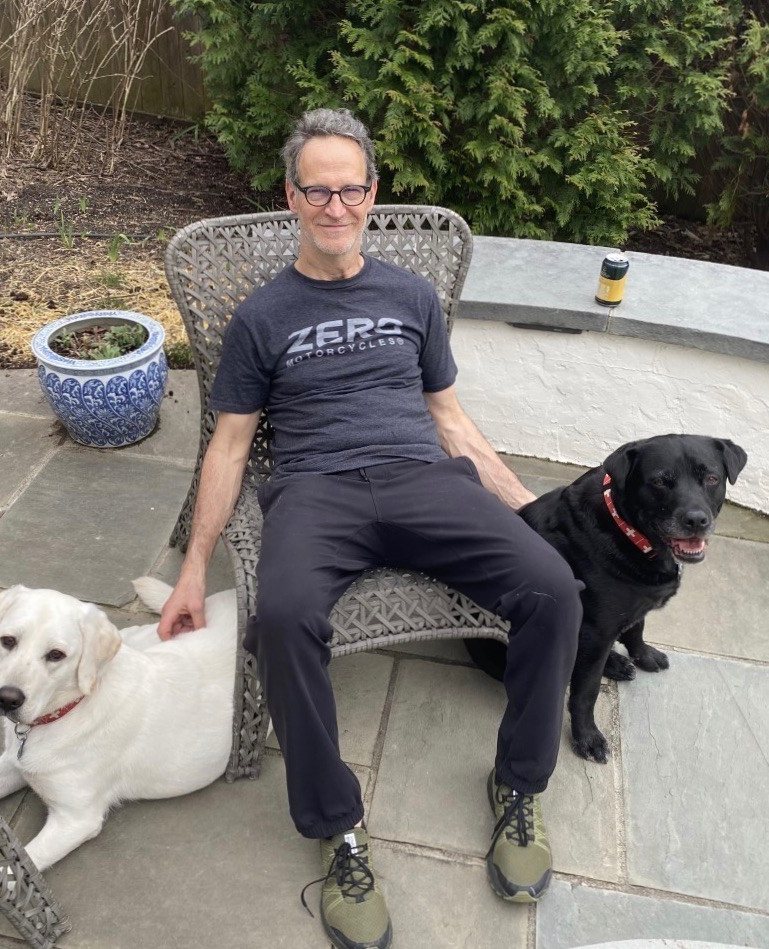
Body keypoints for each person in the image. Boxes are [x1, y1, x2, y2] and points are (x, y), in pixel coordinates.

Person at [158, 108, 582, 949]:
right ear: (291, 196)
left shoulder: (410, 296)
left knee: (554, 589)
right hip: (315, 492)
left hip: (422, 480)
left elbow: (450, 419)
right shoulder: (260, 317)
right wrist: (193, 569)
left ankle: (517, 786)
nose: (336, 206)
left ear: (372, 194)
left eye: (350, 189)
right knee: (281, 617)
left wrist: (529, 513)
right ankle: (336, 827)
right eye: (318, 190)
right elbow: (229, 445)